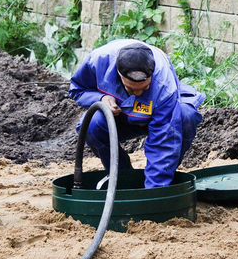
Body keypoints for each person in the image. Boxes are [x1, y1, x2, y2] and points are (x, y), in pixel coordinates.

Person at [69, 39, 206, 188]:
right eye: (132, 89)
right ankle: (123, 178)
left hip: (158, 115)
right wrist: (101, 98)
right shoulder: (98, 61)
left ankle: (163, 181)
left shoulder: (164, 86)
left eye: (145, 88)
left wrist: (153, 194)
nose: (139, 93)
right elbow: (77, 90)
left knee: (186, 116)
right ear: (119, 75)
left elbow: (164, 141)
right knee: (91, 124)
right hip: (120, 116)